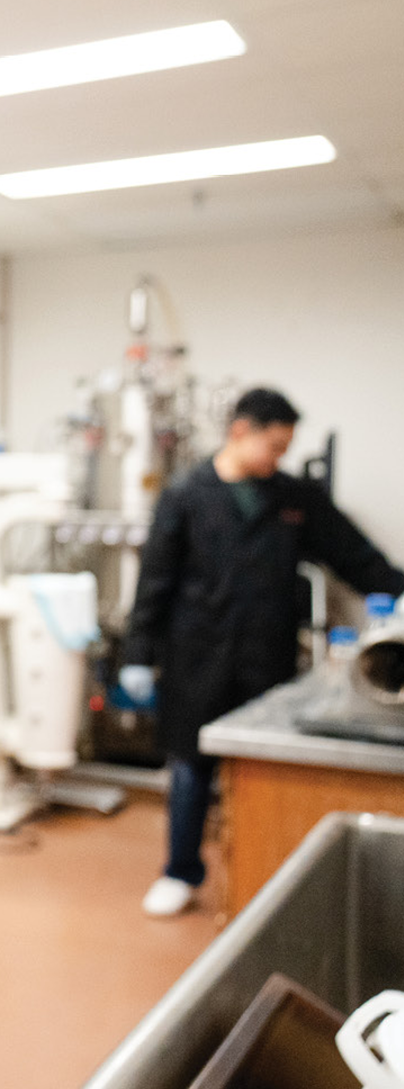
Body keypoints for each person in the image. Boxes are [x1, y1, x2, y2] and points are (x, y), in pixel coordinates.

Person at [122, 387, 404, 917]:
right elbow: (154, 581)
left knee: (256, 773)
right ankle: (180, 872)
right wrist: (138, 651)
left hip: (266, 654)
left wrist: (397, 588)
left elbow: (353, 555)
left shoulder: (293, 498)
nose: (279, 458)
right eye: (273, 446)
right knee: (190, 770)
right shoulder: (186, 494)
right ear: (239, 431)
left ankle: (258, 877)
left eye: (285, 449)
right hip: (196, 654)